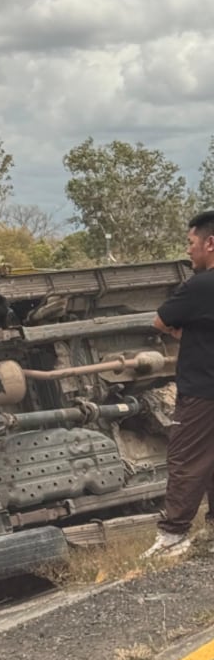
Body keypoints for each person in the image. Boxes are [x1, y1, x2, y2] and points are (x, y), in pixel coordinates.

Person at [143, 210, 214, 560]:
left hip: (202, 389)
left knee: (185, 458)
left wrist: (180, 328)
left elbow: (160, 320)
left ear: (210, 243)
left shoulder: (200, 285)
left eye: (191, 243)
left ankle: (173, 535)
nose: (189, 251)